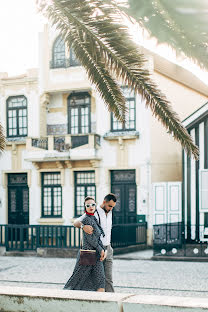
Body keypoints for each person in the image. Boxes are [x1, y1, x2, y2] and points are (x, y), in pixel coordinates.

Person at [74, 193, 117, 292]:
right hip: (95, 250)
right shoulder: (93, 210)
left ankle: (111, 301)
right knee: (89, 278)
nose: (111, 208)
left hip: (108, 248)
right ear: (104, 202)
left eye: (113, 207)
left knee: (108, 278)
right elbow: (76, 222)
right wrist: (83, 226)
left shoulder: (110, 212)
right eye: (109, 206)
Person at [64, 196, 107, 292]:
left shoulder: (93, 217)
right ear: (85, 207)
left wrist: (101, 250)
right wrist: (101, 250)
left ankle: (100, 303)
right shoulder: (86, 219)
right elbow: (91, 239)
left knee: (100, 280)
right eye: (88, 205)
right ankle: (64, 296)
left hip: (95, 253)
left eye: (93, 205)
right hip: (88, 253)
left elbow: (97, 237)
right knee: (77, 279)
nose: (91, 207)